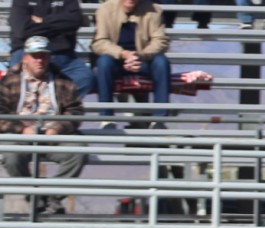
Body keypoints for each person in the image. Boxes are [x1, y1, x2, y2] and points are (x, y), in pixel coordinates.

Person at [0, 36, 87, 216]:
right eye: (35, 55)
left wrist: (56, 128)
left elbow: (76, 112)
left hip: (53, 137)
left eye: (44, 56)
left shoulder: (63, 81)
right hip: (21, 137)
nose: (40, 60)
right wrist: (21, 129)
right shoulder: (8, 82)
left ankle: (51, 197)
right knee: (11, 156)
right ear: (25, 57)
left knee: (77, 152)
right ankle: (34, 196)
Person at [92, 0, 171, 129]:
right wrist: (123, 54)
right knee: (103, 62)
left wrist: (140, 55)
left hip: (143, 59)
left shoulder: (154, 10)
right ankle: (106, 118)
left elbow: (160, 41)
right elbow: (100, 42)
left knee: (161, 62)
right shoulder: (105, 9)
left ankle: (159, 119)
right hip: (115, 60)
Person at [8, 0, 95, 97]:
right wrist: (58, 27)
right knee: (14, 83)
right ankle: (43, 102)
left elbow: (75, 20)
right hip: (29, 54)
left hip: (64, 58)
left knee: (86, 79)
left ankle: (52, 103)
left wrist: (43, 21)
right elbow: (22, 29)